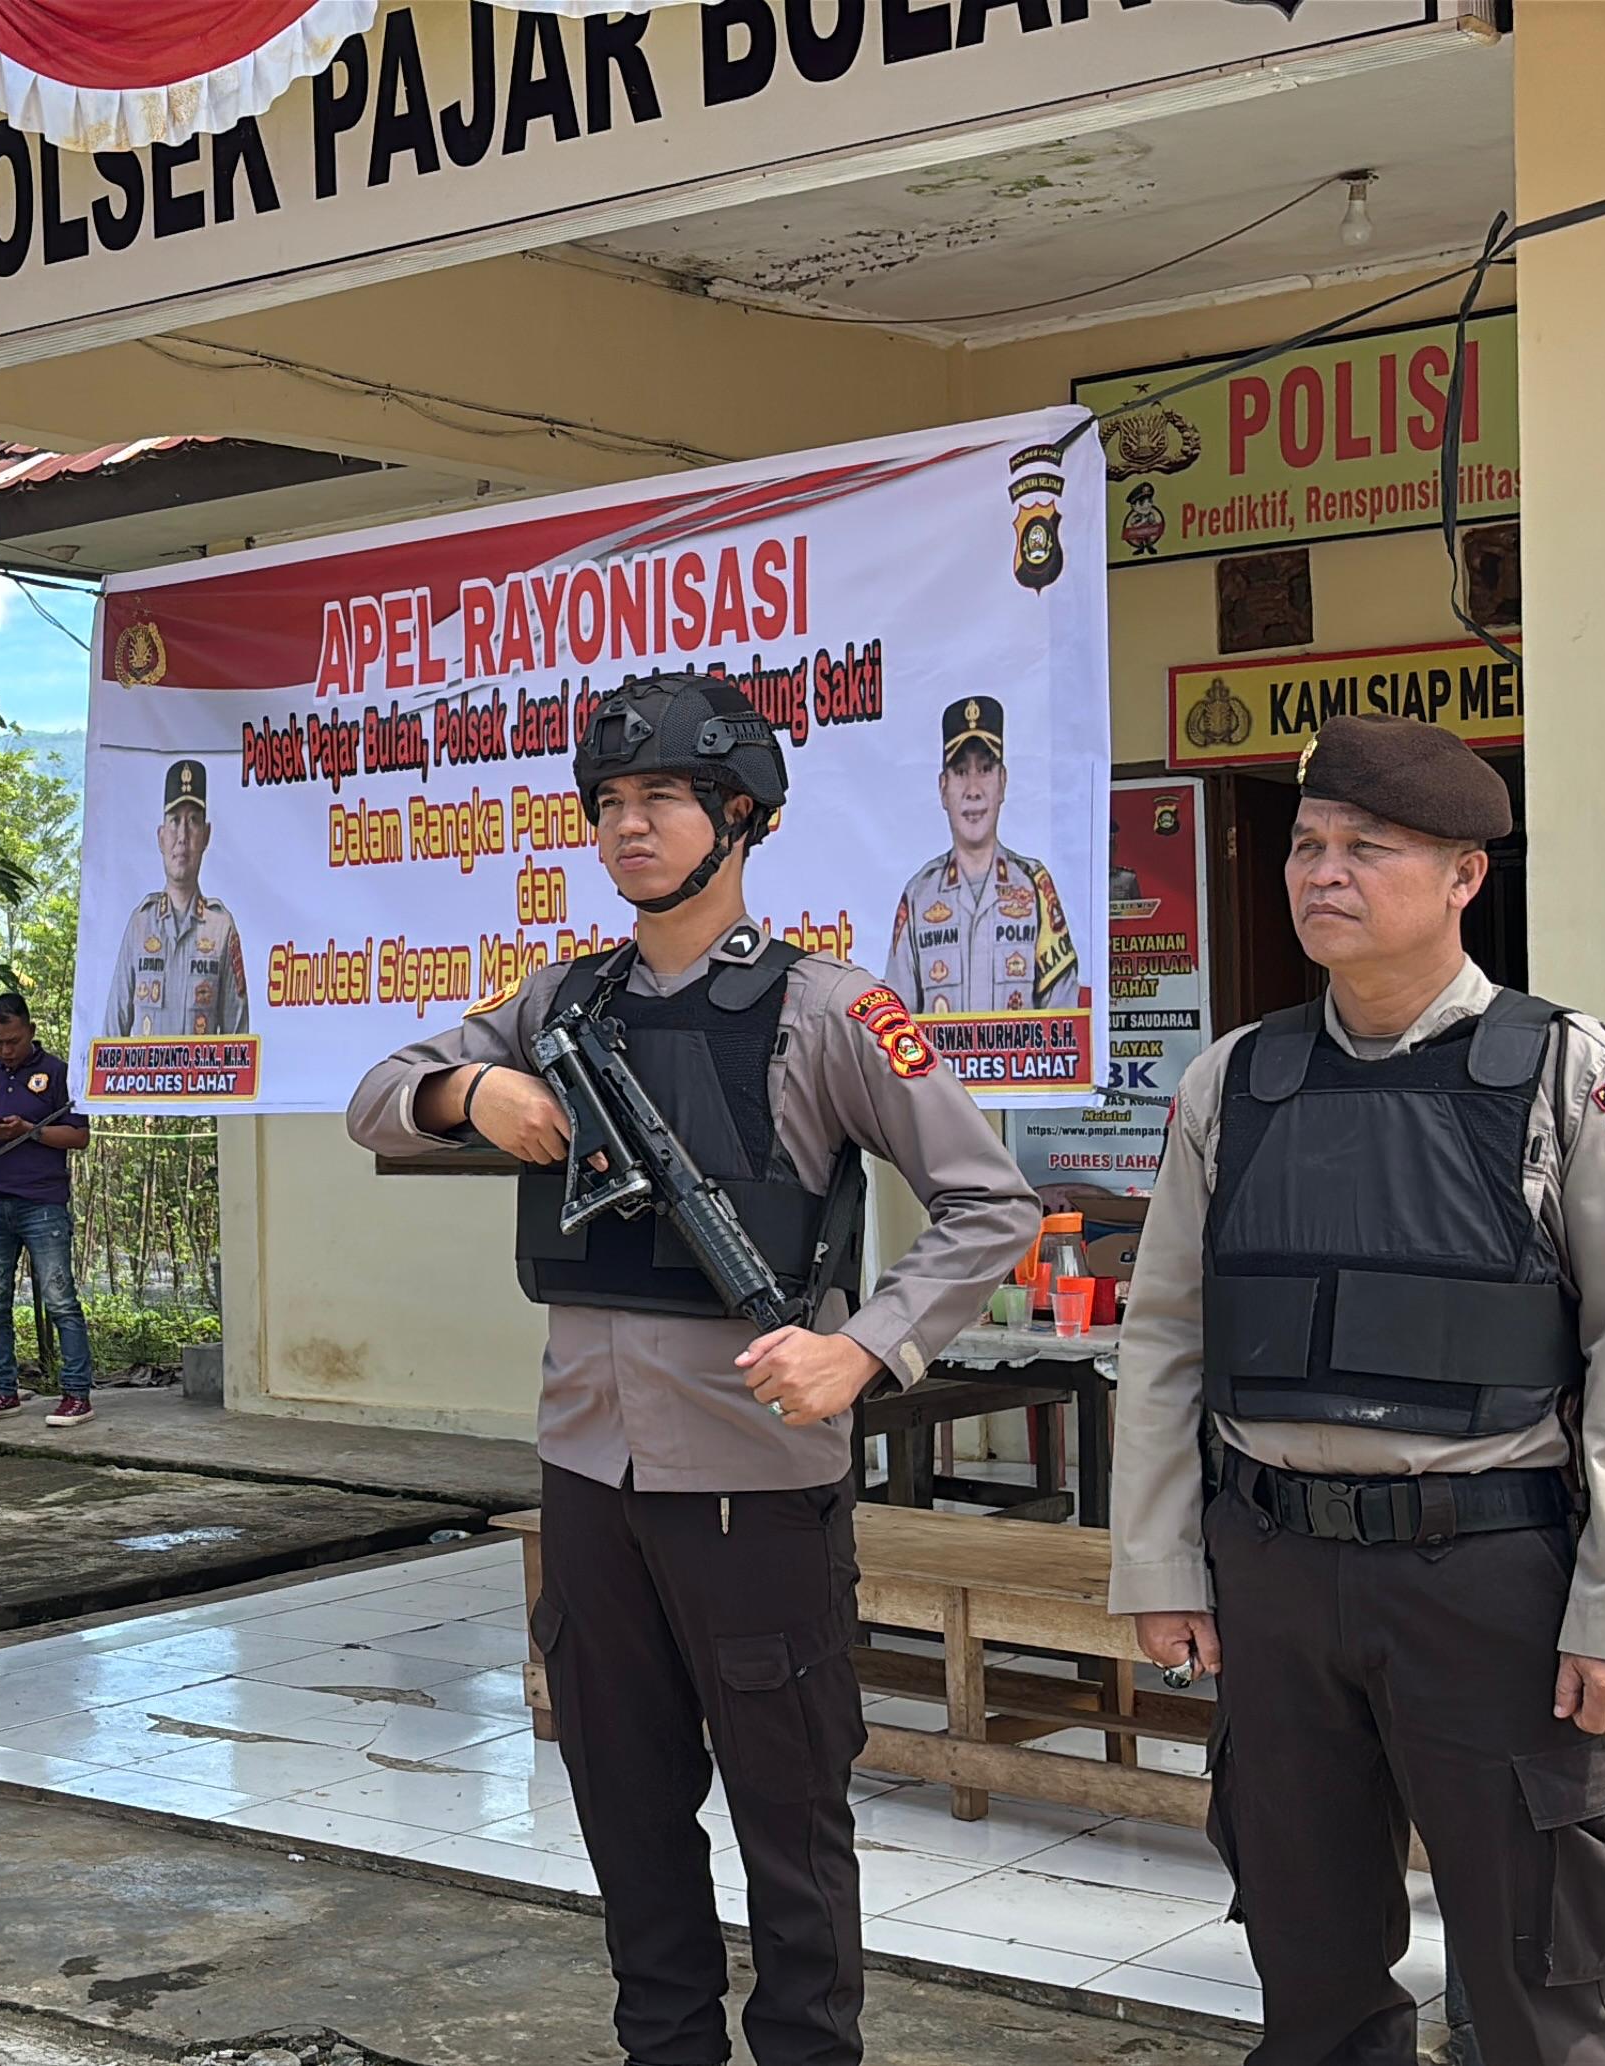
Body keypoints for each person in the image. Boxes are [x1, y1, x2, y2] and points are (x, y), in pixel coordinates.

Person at [346, 670, 1039, 2066]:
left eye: (663, 798)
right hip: (590, 1476)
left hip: (754, 1481)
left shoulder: (834, 1011)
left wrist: (864, 1346)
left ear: (741, 818)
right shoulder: (560, 999)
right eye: (609, 802)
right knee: (627, 1811)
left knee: (790, 1822)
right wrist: (470, 1089)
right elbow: (379, 1100)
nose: (630, 825)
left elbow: (992, 1203)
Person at [1110, 715, 1605, 2066]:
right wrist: (1160, 1562)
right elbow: (1163, 1340)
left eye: (1365, 847)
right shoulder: (1235, 1081)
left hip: (1489, 1576)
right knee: (1308, 1963)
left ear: (1462, 878)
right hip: (1274, 1572)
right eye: (1308, 844)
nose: (1322, 871)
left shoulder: (1571, 1074)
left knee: (1542, 1974)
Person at [885, 696, 1079, 1016]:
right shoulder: (919, 895)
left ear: (1002, 782)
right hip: (936, 1069)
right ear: (943, 788)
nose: (973, 789)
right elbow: (895, 1019)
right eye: (961, 772)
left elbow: (1063, 1015)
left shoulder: (1034, 886)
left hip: (1021, 1067)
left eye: (985, 770)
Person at [0, 992, 97, 1428]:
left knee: (60, 1299)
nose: (4, 1051)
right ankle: (3, 1389)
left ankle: (76, 1393)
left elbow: (79, 1137)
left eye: (12, 1041)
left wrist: (28, 1131)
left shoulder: (57, 1074)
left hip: (42, 1204)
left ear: (30, 1032)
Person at [104, 758, 250, 1038]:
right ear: (161, 837)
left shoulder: (221, 927)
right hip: (143, 1081)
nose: (182, 836)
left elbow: (237, 1039)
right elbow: (115, 1026)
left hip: (201, 1082)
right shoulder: (140, 923)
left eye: (193, 821)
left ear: (206, 836)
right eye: (174, 821)